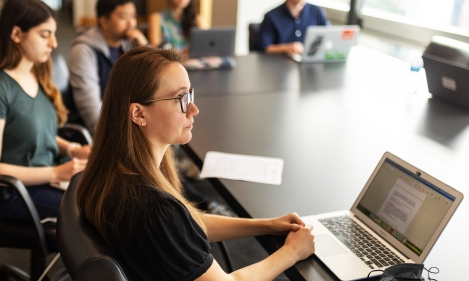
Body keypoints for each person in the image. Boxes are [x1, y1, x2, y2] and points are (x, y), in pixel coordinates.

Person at [77, 46, 315, 280]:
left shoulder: (110, 173)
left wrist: (267, 225)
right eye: (181, 98)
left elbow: (187, 226)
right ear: (138, 114)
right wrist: (292, 252)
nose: (193, 108)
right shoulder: (155, 209)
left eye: (190, 94)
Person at [0, 0, 90, 220]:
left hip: (46, 175)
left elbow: (34, 134)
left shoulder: (36, 75)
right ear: (17, 34)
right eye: (45, 35)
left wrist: (72, 150)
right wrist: (56, 172)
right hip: (14, 192)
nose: (54, 43)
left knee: (113, 192)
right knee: (96, 212)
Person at [67, 0, 148, 134]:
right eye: (123, 17)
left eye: (133, 16)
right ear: (104, 21)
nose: (131, 23)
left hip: (125, 118)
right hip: (98, 131)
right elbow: (92, 113)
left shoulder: (128, 45)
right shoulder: (83, 51)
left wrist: (145, 49)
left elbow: (154, 82)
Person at [258, 0, 330, 54]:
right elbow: (263, 48)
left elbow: (329, 36)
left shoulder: (317, 11)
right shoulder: (271, 16)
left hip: (311, 65)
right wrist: (287, 48)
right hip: (280, 66)